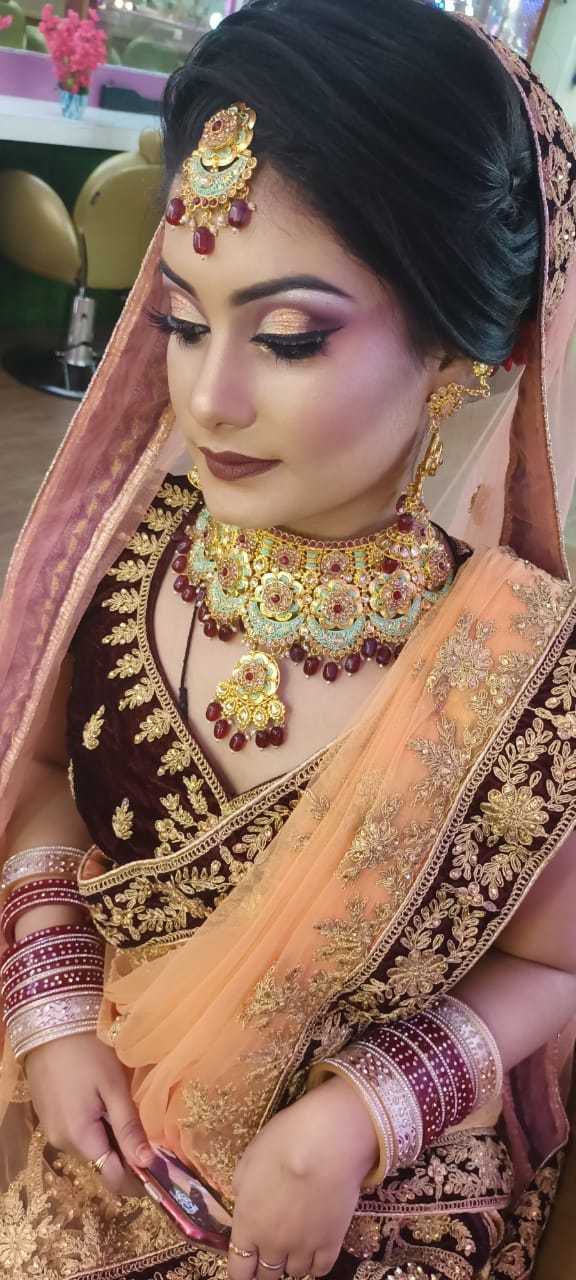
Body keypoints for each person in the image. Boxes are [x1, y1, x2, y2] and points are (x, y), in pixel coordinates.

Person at [1, 1, 576, 1277]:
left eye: (289, 336)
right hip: (99, 1118)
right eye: (183, 320)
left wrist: (360, 1114)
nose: (209, 399)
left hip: (371, 1198)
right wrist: (52, 1004)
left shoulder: (522, 666)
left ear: (461, 349)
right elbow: (44, 780)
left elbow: (557, 962)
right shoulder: (121, 556)